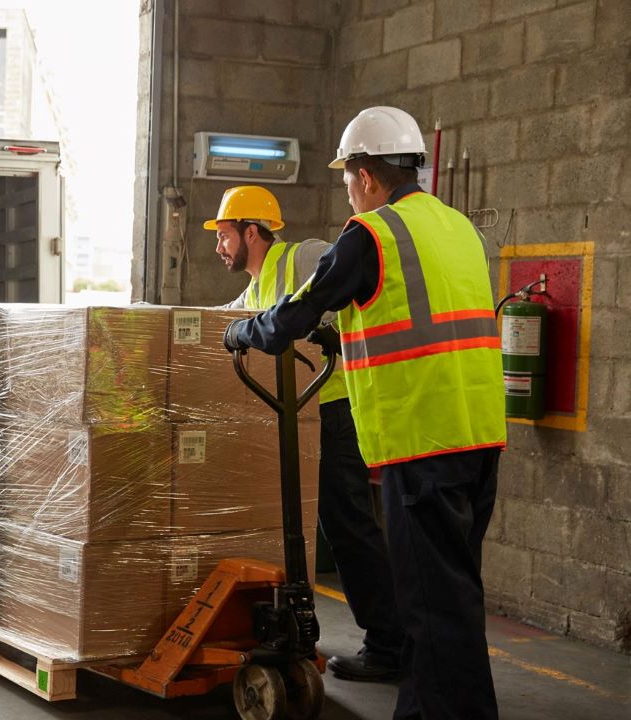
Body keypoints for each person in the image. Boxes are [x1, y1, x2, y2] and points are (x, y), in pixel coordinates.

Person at [223, 106, 505, 719]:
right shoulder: (458, 228)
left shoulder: (372, 234)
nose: (348, 193)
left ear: (367, 176)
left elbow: (291, 319)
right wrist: (341, 336)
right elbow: (413, 312)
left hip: (421, 442)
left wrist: (242, 333)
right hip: (480, 437)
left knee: (432, 605)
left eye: (347, 179)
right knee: (454, 599)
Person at [207, 185, 405, 682]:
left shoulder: (306, 255)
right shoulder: (253, 291)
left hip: (335, 409)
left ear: (252, 231)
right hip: (297, 414)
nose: (219, 247)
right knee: (316, 525)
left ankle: (390, 643)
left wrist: (329, 328)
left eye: (225, 235)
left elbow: (336, 297)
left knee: (348, 525)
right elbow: (224, 323)